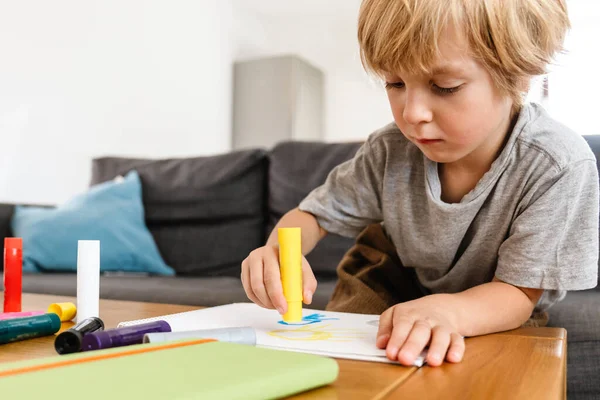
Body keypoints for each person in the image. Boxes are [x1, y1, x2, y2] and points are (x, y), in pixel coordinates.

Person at [241, 0, 599, 367]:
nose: (411, 114)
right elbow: (312, 215)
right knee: (346, 366)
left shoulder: (557, 165)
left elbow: (519, 294)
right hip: (391, 275)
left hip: (500, 296)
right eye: (394, 83)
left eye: (445, 86)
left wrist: (451, 312)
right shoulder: (388, 149)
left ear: (521, 74)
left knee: (490, 370)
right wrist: (278, 253)